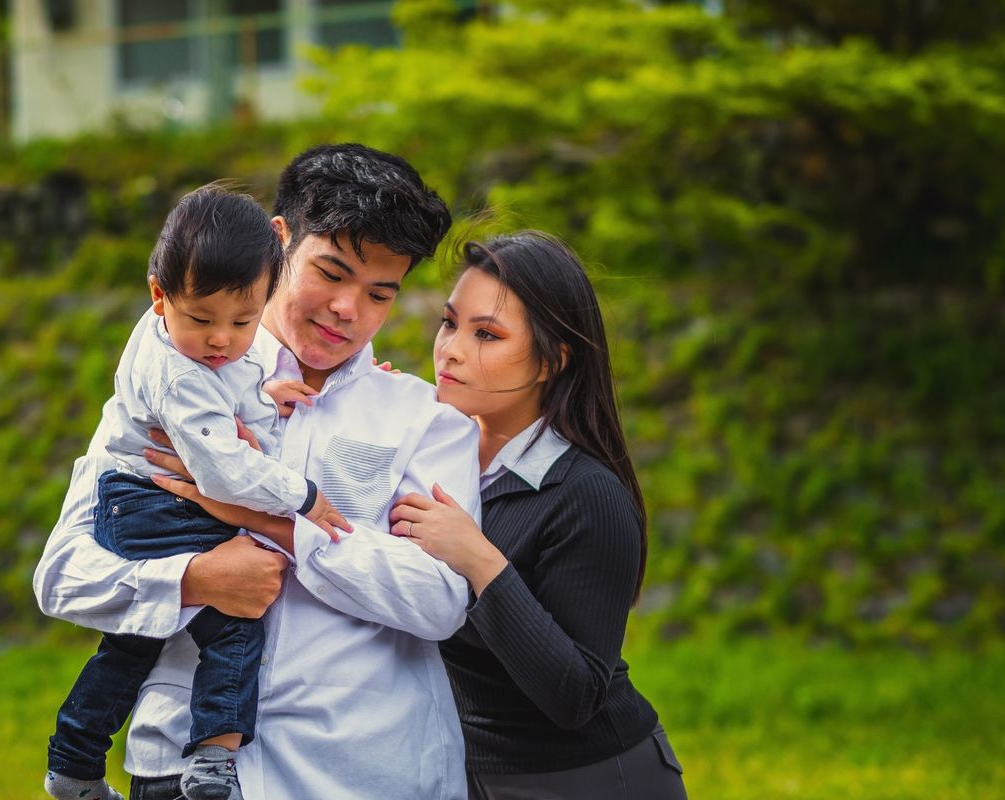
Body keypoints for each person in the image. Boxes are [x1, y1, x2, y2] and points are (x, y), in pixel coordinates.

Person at [34, 143, 481, 800]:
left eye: (379, 293)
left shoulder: (423, 421)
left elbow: (440, 601)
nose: (347, 308)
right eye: (331, 273)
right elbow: (62, 578)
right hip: (179, 770)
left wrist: (277, 525)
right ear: (279, 243)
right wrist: (193, 580)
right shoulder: (159, 394)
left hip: (358, 774)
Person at [44, 185, 351, 800]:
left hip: (136, 501)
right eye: (203, 320)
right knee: (235, 624)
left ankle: (73, 763)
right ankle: (213, 759)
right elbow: (223, 471)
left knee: (135, 639)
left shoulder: (183, 341)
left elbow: (223, 397)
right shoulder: (180, 375)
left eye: (242, 322)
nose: (221, 341)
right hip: (152, 502)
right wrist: (302, 494)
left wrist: (261, 396)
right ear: (159, 295)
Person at [389, 232, 689, 799]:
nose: (450, 349)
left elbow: (575, 696)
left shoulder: (586, 495)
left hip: (590, 779)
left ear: (553, 359)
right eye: (450, 323)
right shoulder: (425, 456)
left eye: (486, 334)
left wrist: (480, 561)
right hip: (465, 773)